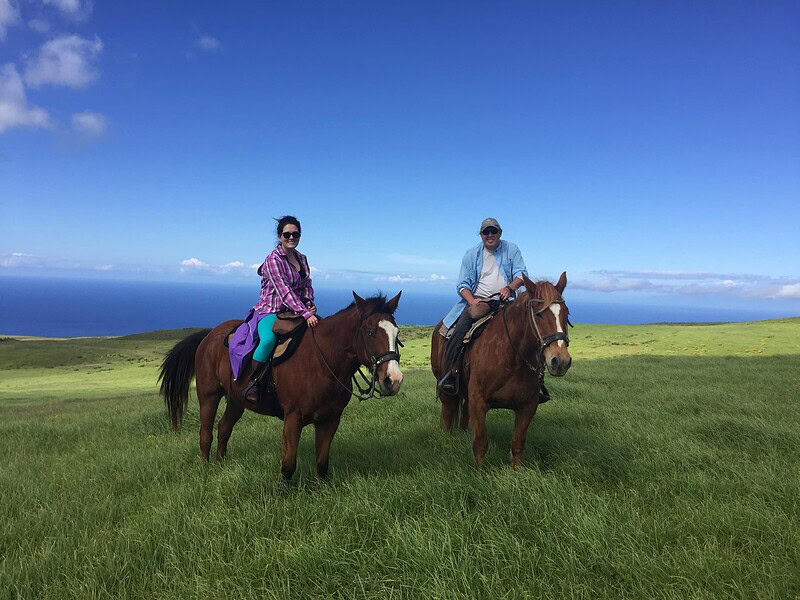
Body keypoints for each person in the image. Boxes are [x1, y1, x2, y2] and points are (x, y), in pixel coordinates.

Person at [437, 218, 550, 403]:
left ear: (500, 233)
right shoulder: (471, 254)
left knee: (532, 331)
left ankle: (536, 382)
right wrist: (472, 300)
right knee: (461, 329)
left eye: (493, 231)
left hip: (507, 302)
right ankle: (452, 373)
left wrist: (510, 288)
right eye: (486, 232)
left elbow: (521, 274)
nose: (490, 235)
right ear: (481, 235)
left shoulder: (511, 249)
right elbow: (463, 285)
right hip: (481, 301)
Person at [233, 215, 318, 402]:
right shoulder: (273, 260)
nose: (291, 237)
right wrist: (305, 313)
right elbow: (284, 291)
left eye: (295, 234)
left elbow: (306, 284)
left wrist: (309, 302)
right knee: (268, 340)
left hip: (295, 310)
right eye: (287, 234)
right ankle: (253, 383)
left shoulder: (301, 259)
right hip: (270, 310)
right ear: (279, 236)